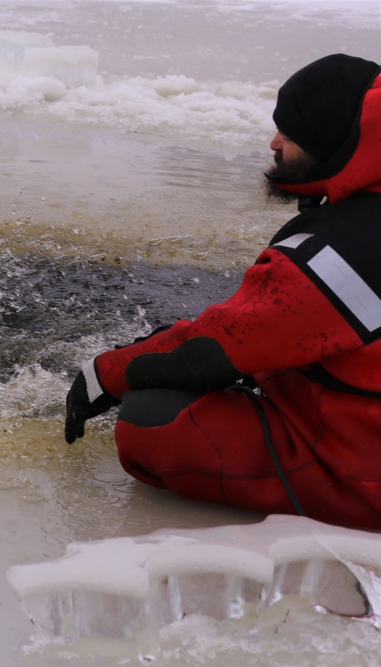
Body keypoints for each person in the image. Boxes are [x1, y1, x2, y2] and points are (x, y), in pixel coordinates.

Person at [64, 53, 381, 530]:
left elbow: (215, 349)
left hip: (362, 472)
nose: (274, 143)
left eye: (290, 135)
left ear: (337, 143)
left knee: (151, 417)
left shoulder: (341, 252)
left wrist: (102, 375)